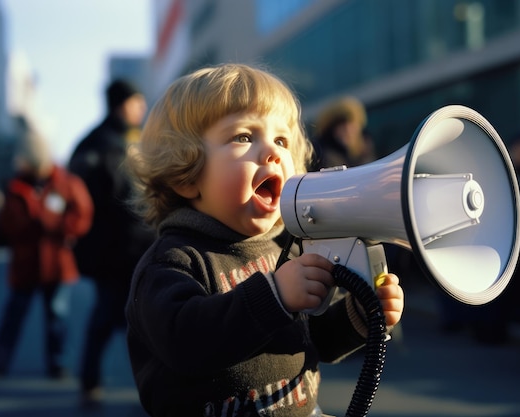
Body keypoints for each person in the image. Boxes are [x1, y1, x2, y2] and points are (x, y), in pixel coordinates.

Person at [123, 63, 405, 417]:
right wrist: (274, 296)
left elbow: (304, 343)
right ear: (185, 173)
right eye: (244, 136)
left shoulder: (284, 249)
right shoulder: (173, 262)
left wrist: (358, 317)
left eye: (282, 140)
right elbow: (185, 343)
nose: (272, 151)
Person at [68, 79, 156, 403]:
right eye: (138, 102)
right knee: (126, 319)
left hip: (116, 250)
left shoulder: (103, 140)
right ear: (123, 104)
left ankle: (92, 382)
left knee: (112, 318)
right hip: (118, 251)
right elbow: (124, 203)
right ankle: (145, 391)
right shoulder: (110, 145)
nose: (143, 109)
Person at [0, 129, 93, 379]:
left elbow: (82, 213)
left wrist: (57, 226)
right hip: (26, 263)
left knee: (57, 317)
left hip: (56, 262)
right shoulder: (16, 187)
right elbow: (8, 224)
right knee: (14, 315)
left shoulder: (65, 182)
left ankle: (58, 364)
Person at [310, 96, 376, 171]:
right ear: (332, 129)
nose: (348, 131)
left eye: (352, 125)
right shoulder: (324, 154)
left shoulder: (365, 149)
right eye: (343, 127)